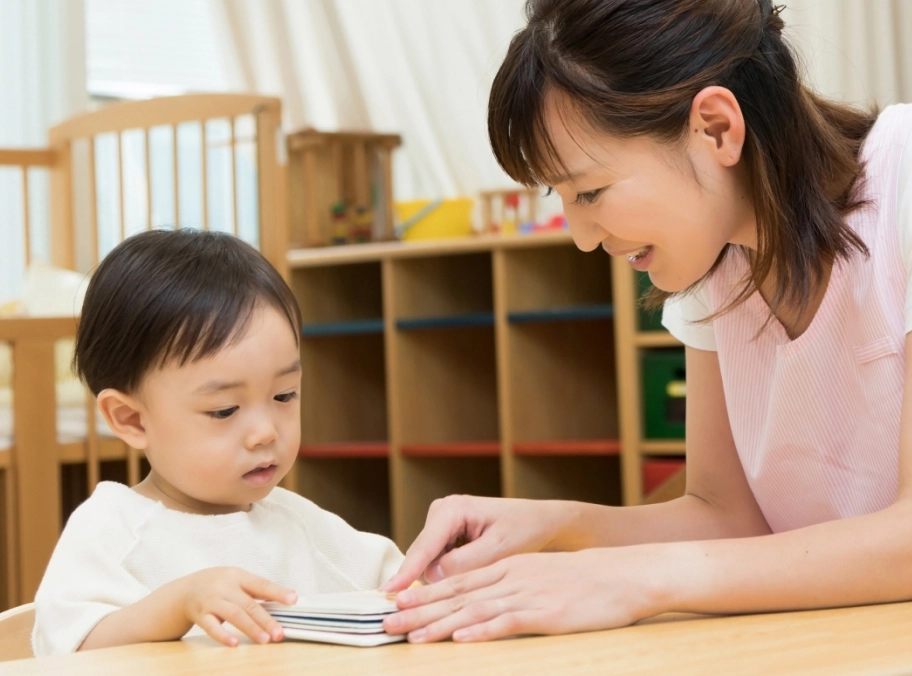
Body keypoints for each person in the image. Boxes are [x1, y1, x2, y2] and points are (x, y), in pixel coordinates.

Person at [380, 0, 912, 643]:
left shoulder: (903, 173)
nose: (580, 236)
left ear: (716, 129)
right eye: (562, 197)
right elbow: (729, 521)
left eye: (591, 192)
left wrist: (635, 579)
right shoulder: (711, 255)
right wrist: (558, 525)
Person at [32, 229, 403, 656]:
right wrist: (179, 602)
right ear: (131, 419)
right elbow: (66, 647)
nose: (266, 431)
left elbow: (399, 587)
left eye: (284, 395)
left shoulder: (300, 523)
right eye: (225, 410)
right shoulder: (113, 528)